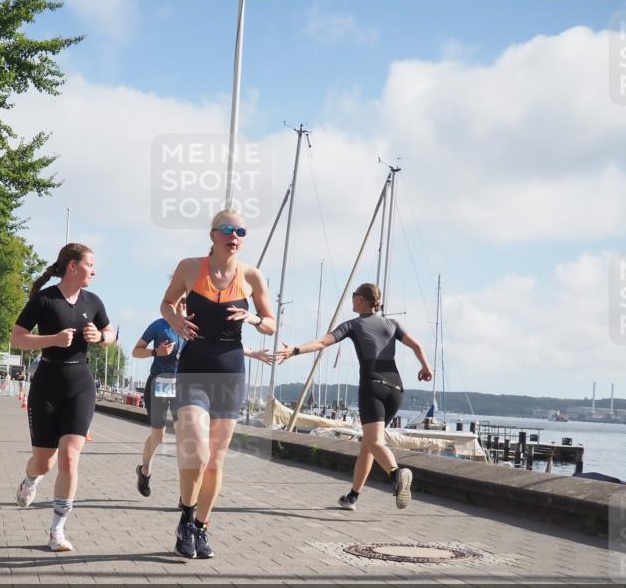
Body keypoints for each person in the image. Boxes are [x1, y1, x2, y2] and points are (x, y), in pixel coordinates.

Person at [160, 209, 275, 559]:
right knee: (197, 451)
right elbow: (166, 303)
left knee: (215, 462)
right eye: (228, 228)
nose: (235, 234)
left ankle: (202, 528)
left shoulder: (252, 275)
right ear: (212, 234)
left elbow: (271, 323)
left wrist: (253, 317)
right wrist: (176, 319)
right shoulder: (190, 267)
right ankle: (185, 516)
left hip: (230, 370)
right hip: (194, 367)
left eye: (240, 230)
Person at [271, 282, 432, 511]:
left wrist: (295, 350)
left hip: (373, 385)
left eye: (354, 295)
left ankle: (396, 474)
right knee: (368, 444)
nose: (352, 299)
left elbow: (322, 342)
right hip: (396, 389)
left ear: (361, 300)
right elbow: (416, 345)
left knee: (374, 442)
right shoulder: (393, 324)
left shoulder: (353, 325)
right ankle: (353, 496)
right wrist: (425, 367)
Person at [9, 243, 115, 551]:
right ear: (72, 266)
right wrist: (52, 339)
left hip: (81, 384)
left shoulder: (93, 301)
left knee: (70, 458)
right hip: (47, 384)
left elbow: (109, 334)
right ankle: (30, 480)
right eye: (89, 265)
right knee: (44, 464)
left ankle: (57, 530)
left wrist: (101, 337)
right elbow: (16, 337)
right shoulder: (44, 300)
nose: (94, 271)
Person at [131, 299, 186, 497]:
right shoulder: (159, 325)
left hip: (183, 386)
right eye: (179, 301)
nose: (182, 306)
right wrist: (156, 352)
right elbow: (135, 352)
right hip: (160, 382)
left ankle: (186, 495)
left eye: (186, 301)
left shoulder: (193, 328)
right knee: (159, 435)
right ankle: (144, 469)